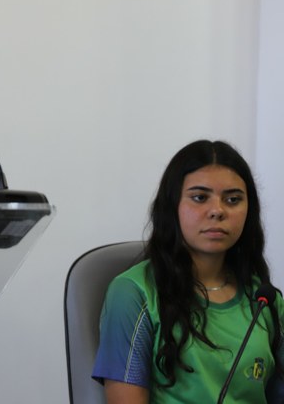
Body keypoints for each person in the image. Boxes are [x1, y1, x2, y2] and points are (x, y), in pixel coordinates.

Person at [93, 140, 284, 403]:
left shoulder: (263, 298)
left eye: (233, 200)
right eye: (200, 197)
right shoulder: (133, 293)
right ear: (172, 206)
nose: (217, 211)